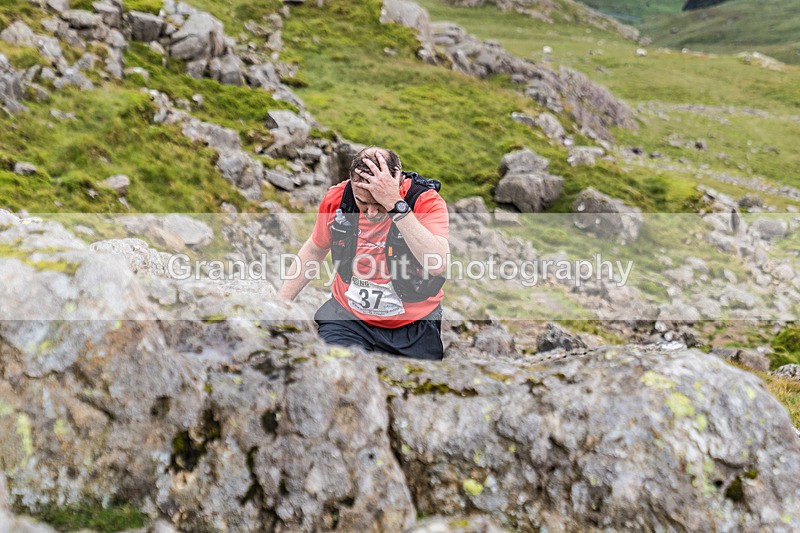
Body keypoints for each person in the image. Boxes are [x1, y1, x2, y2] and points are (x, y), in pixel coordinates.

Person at [278, 147, 450, 360]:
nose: (371, 213)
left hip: (414, 327)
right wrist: (281, 305)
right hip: (347, 321)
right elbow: (314, 250)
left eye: (379, 204)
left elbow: (437, 264)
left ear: (398, 184)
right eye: (363, 203)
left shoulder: (425, 201)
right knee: (336, 376)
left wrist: (395, 206)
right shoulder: (338, 199)